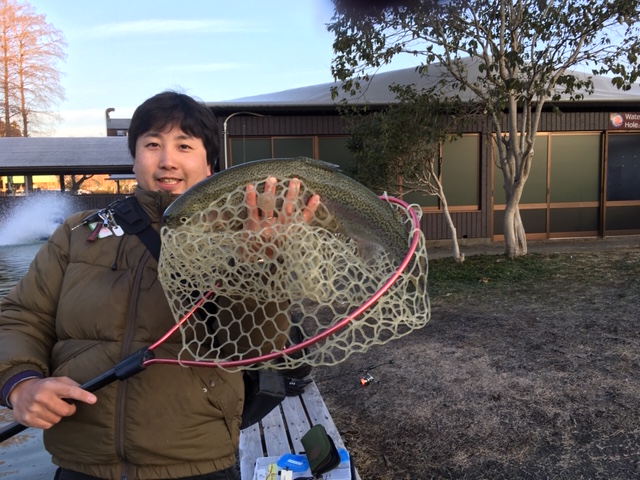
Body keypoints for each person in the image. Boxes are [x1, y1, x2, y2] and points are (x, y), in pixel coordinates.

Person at [0, 91, 319, 480]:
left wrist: (259, 266)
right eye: (153, 144)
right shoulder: (79, 231)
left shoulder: (241, 233)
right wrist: (20, 383)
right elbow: (21, 317)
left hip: (198, 462)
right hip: (80, 463)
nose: (167, 160)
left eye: (184, 145)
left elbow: (254, 349)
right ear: (134, 157)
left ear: (208, 163)